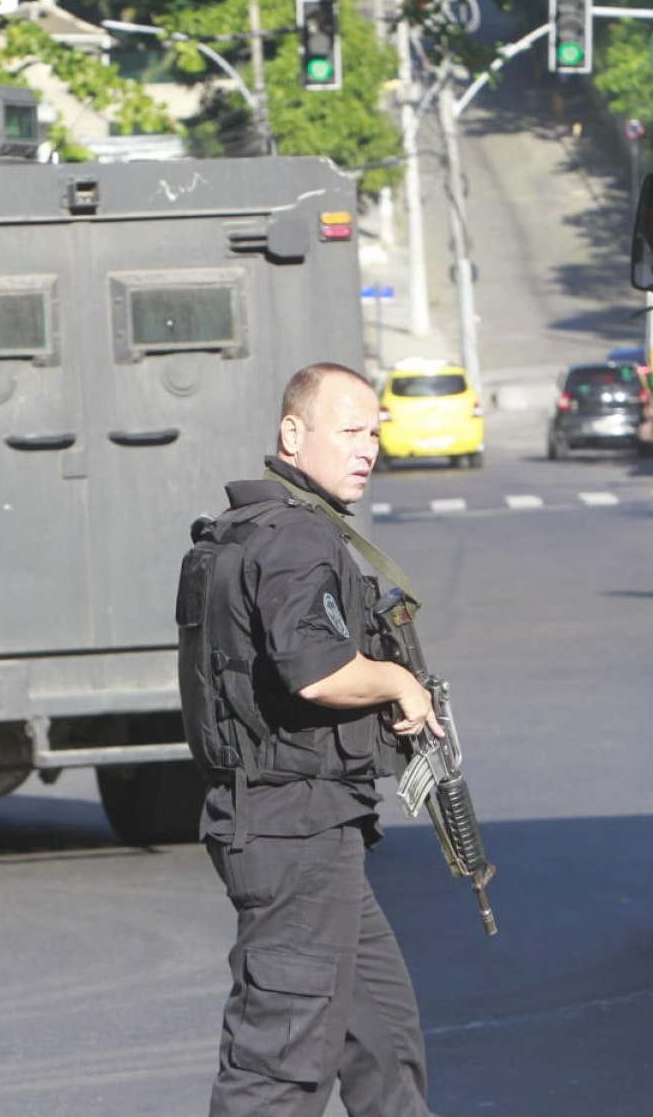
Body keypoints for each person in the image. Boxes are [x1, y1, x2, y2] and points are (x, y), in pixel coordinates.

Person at [189, 361, 443, 1117]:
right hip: (290, 827)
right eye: (349, 431)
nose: (366, 449)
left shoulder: (269, 526)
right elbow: (319, 672)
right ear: (293, 434)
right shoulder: (297, 536)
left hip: (312, 826)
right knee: (281, 1064)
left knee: (383, 1039)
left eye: (374, 434)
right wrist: (397, 682)